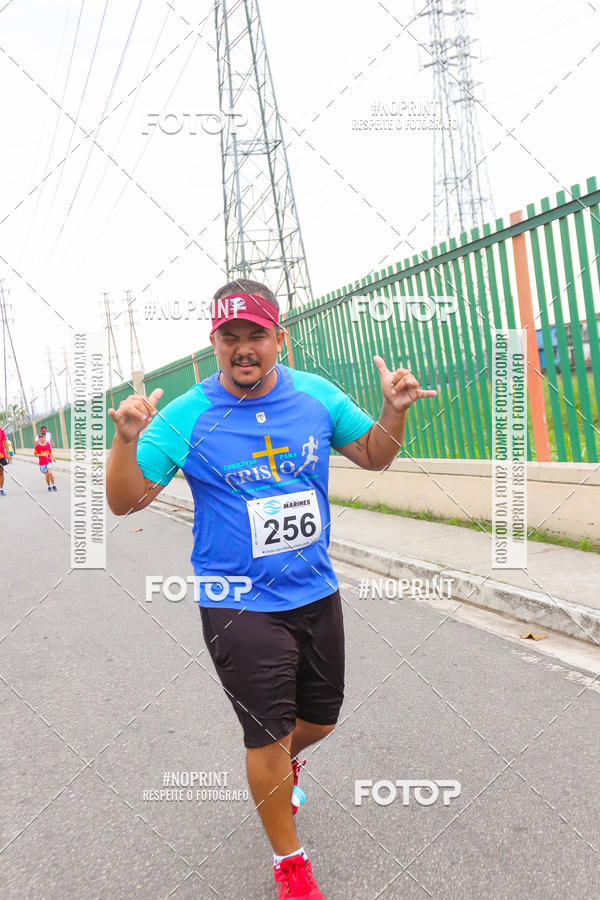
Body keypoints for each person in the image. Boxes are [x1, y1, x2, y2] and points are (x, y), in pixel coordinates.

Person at [106, 279, 436, 899]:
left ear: (279, 338)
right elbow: (125, 502)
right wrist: (125, 442)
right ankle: (292, 866)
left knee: (321, 719)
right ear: (214, 345)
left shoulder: (315, 396)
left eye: (256, 334)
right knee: (266, 734)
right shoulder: (186, 415)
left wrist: (392, 413)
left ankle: (284, 766)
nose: (243, 348)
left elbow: (372, 455)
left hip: (314, 590)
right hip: (237, 603)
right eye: (229, 337)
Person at [0, 425, 9, 495]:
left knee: (0, 472)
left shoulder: (1, 430)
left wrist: (7, 453)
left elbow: (5, 442)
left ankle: (1, 489)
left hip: (1, 455)